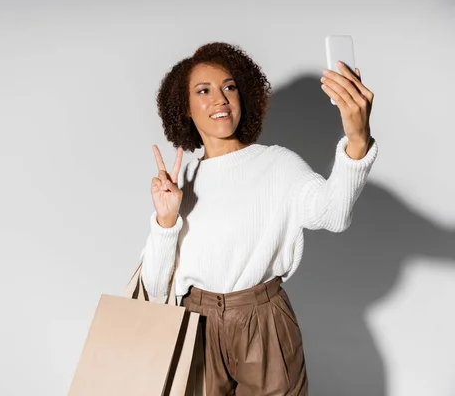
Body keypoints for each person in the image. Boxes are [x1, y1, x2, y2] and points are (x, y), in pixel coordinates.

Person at [139, 42, 378, 395]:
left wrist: (357, 140)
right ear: (184, 108)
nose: (220, 98)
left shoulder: (278, 164)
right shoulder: (182, 182)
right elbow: (156, 288)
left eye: (229, 87)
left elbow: (334, 214)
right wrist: (165, 219)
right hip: (196, 322)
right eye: (204, 90)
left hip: (262, 321)